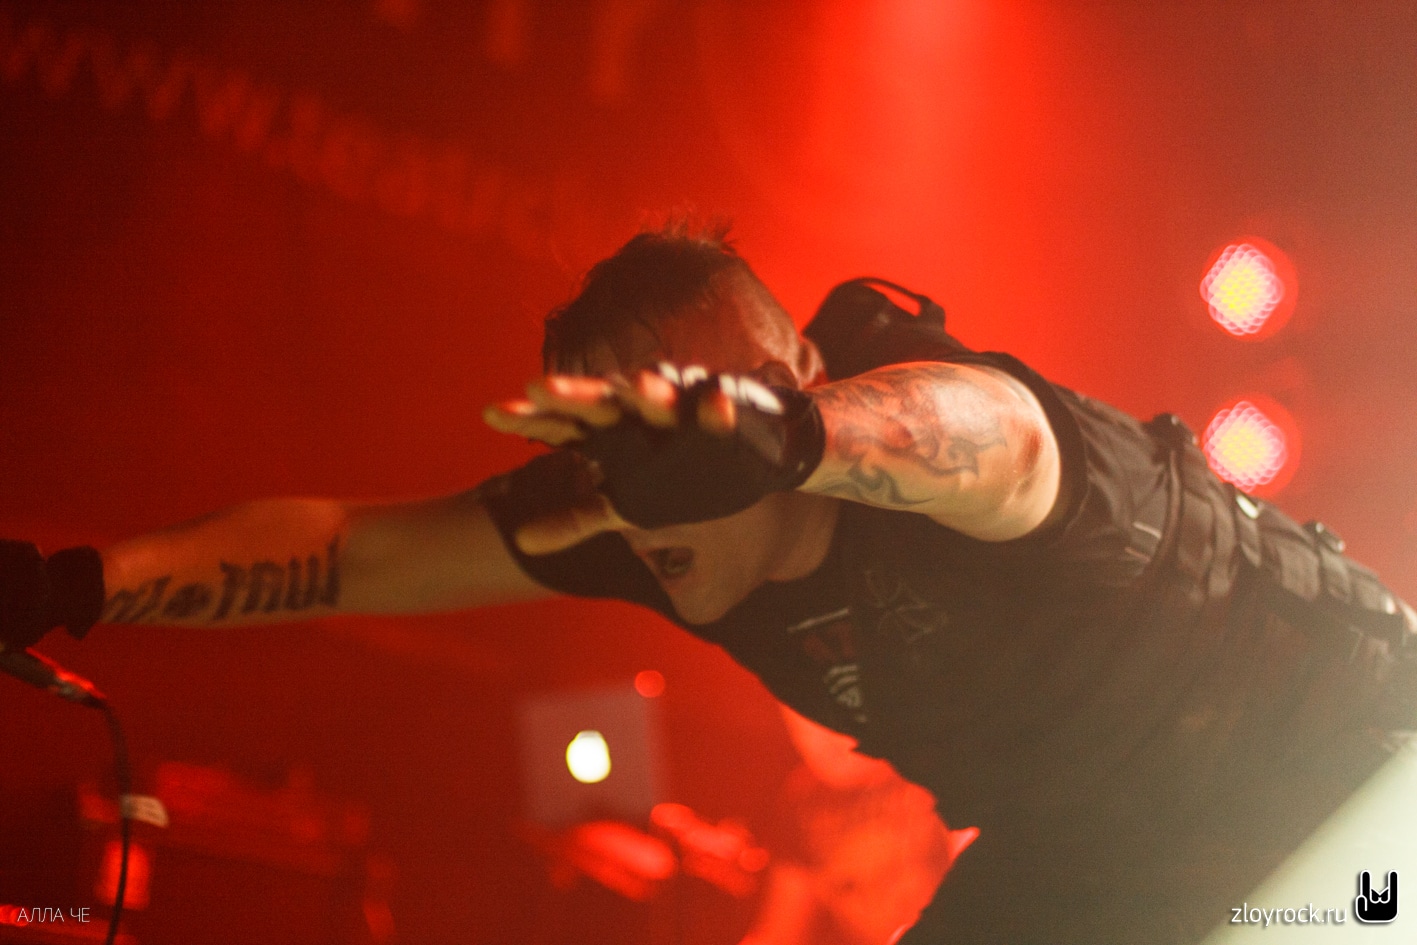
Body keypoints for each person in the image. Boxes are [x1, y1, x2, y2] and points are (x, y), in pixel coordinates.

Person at [2, 222, 1414, 943]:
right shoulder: (628, 516)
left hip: (1347, 762)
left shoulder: (939, 426)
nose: (640, 493)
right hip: (1097, 844)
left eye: (672, 440)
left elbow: (993, 439)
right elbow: (353, 547)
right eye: (614, 451)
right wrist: (74, 579)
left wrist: (787, 439)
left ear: (793, 380)